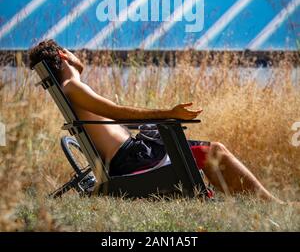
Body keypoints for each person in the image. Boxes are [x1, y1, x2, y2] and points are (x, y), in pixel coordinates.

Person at [29, 39, 283, 203]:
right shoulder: (74, 87)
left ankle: (254, 201)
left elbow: (107, 109)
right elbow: (118, 112)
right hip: (136, 160)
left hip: (137, 154)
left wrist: (76, 66)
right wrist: (169, 113)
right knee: (213, 151)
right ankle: (271, 204)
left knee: (211, 150)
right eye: (72, 52)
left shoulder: (71, 87)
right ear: (63, 55)